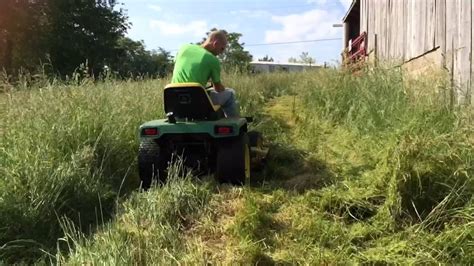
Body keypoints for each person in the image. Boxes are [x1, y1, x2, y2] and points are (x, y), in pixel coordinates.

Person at [171, 30, 240, 118]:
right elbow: (218, 89)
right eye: (222, 48)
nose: (222, 52)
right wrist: (224, 88)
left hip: (174, 99)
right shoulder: (213, 60)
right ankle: (233, 122)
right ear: (215, 43)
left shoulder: (184, 48)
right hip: (197, 101)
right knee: (230, 94)